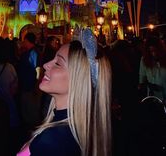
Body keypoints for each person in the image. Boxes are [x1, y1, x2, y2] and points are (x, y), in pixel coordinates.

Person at [17, 28, 112, 156]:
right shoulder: (77, 129)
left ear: (78, 79)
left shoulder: (53, 141)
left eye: (58, 63)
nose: (46, 65)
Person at [139, 36, 166, 103]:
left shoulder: (164, 58)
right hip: (153, 97)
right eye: (151, 51)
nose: (154, 54)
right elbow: (142, 78)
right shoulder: (144, 60)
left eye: (156, 50)